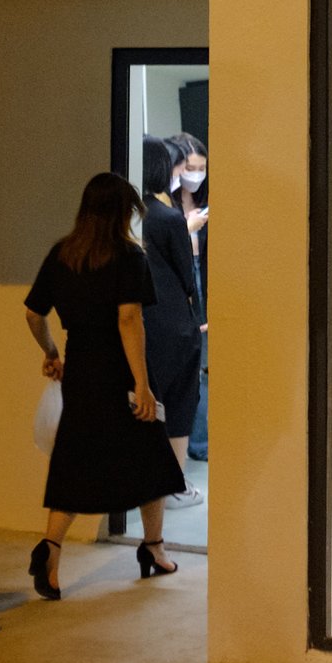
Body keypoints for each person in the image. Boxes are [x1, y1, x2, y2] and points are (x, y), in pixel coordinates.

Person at [23, 173, 186, 598]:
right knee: (153, 456)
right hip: (120, 373)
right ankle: (153, 548)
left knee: (75, 461)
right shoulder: (128, 257)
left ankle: (51, 548)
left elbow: (34, 314)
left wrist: (52, 352)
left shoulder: (62, 253)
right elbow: (128, 319)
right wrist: (142, 385)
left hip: (80, 370)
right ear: (121, 212)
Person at [139, 137, 206, 505]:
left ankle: (145, 482)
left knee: (145, 403)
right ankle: (174, 486)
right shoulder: (168, 219)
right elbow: (186, 278)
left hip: (138, 322)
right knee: (178, 403)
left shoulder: (126, 218)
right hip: (174, 324)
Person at [169, 132, 210, 464]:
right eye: (190, 168)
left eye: (201, 169)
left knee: (206, 362)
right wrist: (188, 228)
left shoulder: (208, 201)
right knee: (184, 366)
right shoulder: (163, 205)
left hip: (205, 279)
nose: (196, 175)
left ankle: (201, 442)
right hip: (180, 283)